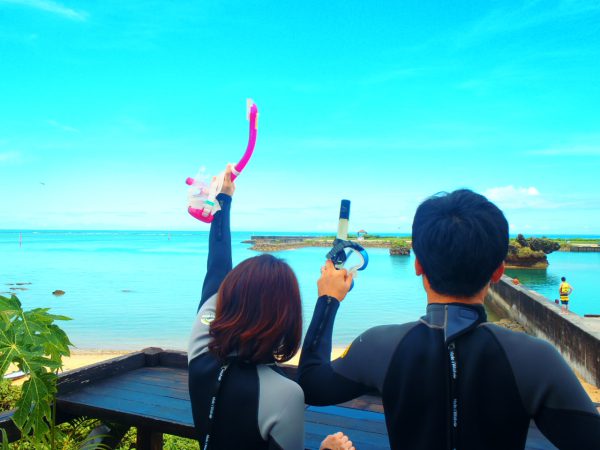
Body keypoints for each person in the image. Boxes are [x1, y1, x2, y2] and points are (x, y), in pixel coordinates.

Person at [298, 189, 600, 450]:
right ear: (499, 271)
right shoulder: (535, 359)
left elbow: (312, 385)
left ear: (418, 265)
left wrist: (328, 299)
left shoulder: (378, 346)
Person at [188, 166, 355, 450]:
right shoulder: (285, 395)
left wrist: (222, 201)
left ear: (228, 301)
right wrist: (329, 300)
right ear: (286, 320)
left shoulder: (201, 352)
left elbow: (216, 269)